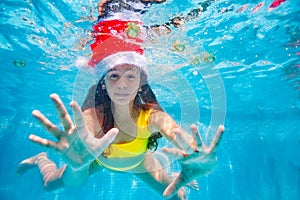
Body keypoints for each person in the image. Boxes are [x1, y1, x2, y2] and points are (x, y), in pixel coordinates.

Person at [17, 1, 224, 199]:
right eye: (114, 76)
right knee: (49, 185)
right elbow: (84, 127)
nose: (122, 85)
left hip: (140, 164)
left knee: (180, 197)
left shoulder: (150, 115)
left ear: (140, 82)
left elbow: (172, 129)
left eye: (131, 76)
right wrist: (76, 165)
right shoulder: (94, 114)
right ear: (104, 81)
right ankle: (41, 159)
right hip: (99, 162)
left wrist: (196, 155)